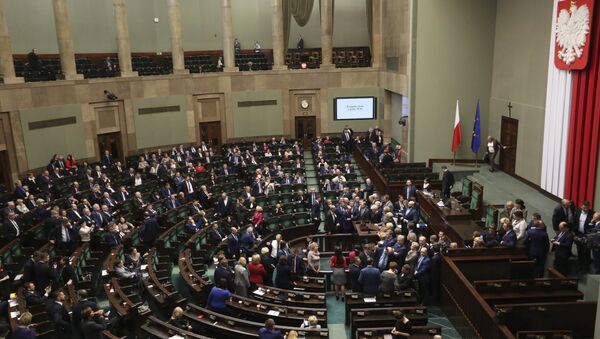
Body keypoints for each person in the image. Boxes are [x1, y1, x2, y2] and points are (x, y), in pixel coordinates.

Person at [575, 201, 594, 273]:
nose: (585, 209)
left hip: (587, 235)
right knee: (579, 251)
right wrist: (574, 232)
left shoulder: (592, 214)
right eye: (584, 207)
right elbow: (575, 221)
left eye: (587, 208)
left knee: (586, 252)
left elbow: (593, 226)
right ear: (581, 206)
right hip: (579, 234)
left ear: (589, 207)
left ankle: (586, 268)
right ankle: (580, 267)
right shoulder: (578, 211)